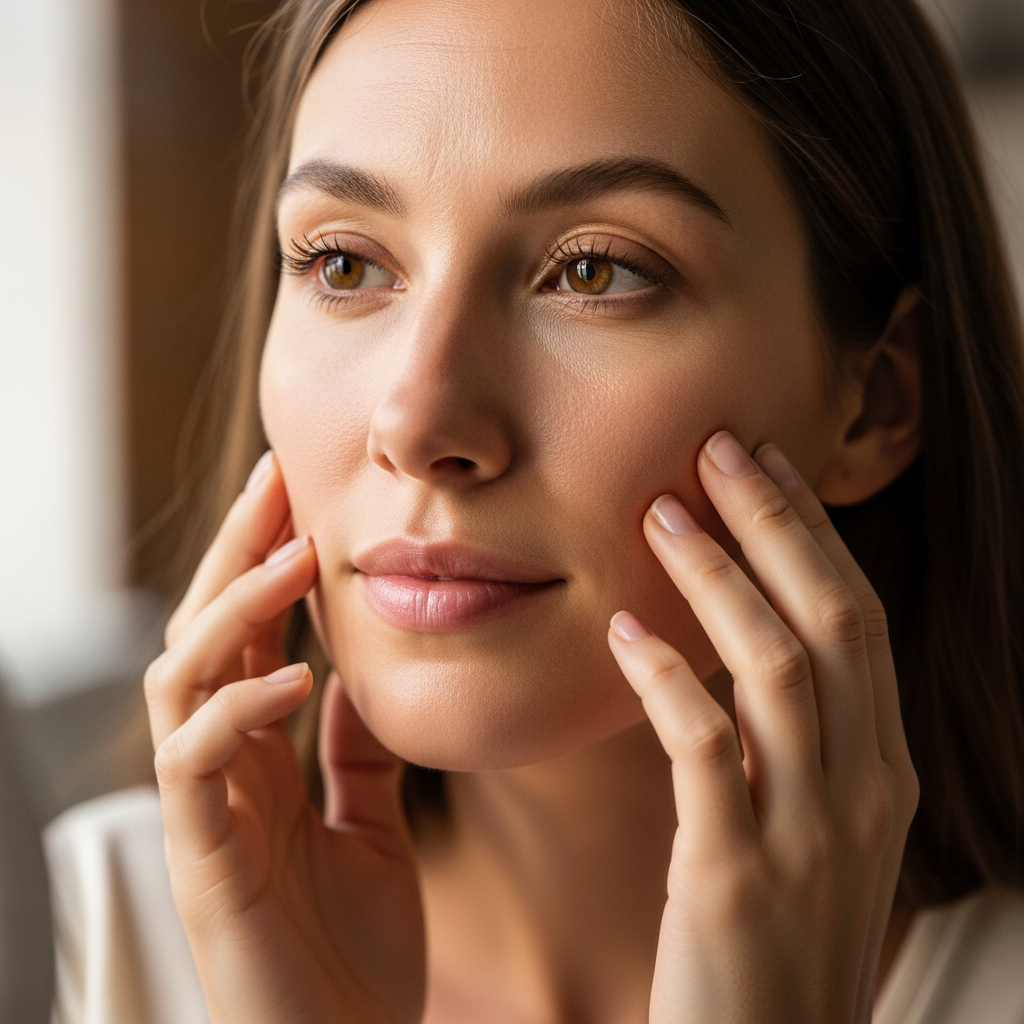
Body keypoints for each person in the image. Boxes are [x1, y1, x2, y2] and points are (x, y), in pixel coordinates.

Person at [47, 0, 1024, 1021]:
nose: (418, 421)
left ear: (875, 402)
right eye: (345, 263)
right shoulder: (72, 950)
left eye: (595, 272)